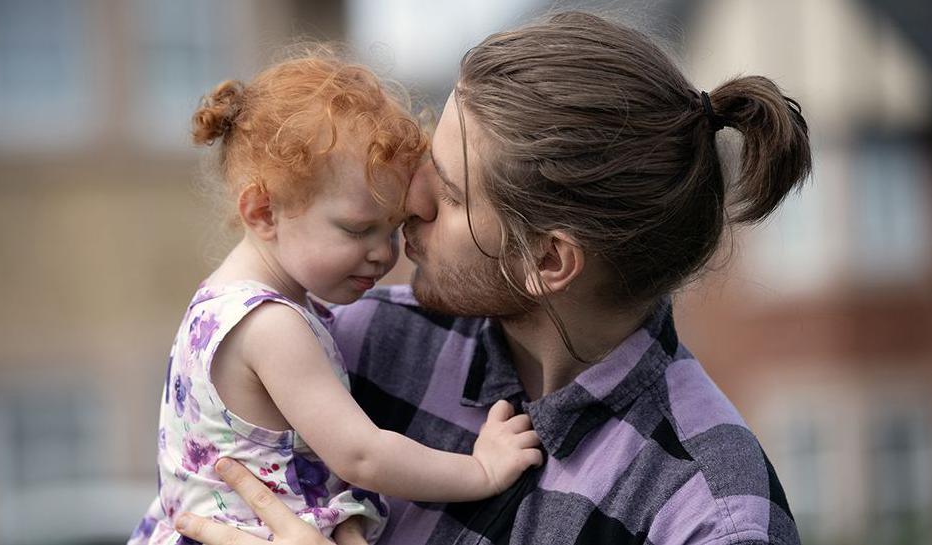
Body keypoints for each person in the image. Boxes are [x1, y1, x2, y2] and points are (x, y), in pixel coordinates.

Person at [175, 11, 812, 545]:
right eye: (429, 155)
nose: (412, 201)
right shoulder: (357, 344)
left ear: (547, 261)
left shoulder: (707, 514)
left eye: (450, 193)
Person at [128, 53, 543, 545]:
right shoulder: (270, 327)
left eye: (392, 229)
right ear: (263, 211)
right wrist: (481, 470)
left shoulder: (220, 301)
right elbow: (361, 456)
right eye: (358, 229)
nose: (383, 255)